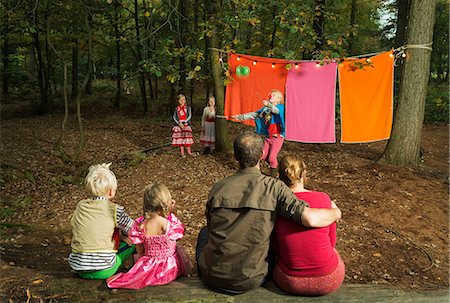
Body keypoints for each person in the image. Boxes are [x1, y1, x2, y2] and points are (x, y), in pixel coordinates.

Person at [196, 131, 341, 294]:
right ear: (263, 154)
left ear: (235, 156)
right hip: (252, 278)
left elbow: (212, 226)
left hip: (211, 276)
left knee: (204, 233)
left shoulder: (218, 188)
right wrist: (335, 213)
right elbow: (310, 218)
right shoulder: (274, 187)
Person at [272, 155, 345, 296]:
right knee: (334, 254)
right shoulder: (323, 198)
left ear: (280, 176)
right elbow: (332, 242)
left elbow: (276, 247)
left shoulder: (276, 203)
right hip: (328, 280)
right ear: (304, 174)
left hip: (290, 282)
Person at [107, 183, 191, 289]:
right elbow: (178, 235)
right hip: (169, 269)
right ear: (166, 204)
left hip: (149, 269)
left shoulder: (141, 225)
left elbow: (140, 251)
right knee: (177, 252)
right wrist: (170, 211)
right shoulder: (169, 223)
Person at [68, 163, 135, 280]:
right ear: (110, 191)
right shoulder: (114, 209)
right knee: (134, 241)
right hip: (105, 270)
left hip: (79, 268)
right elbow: (134, 230)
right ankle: (136, 270)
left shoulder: (80, 206)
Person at [232, 89, 286, 177]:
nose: (271, 96)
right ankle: (271, 168)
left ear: (279, 99)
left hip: (278, 137)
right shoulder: (265, 109)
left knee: (272, 158)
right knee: (262, 155)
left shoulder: (280, 107)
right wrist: (240, 116)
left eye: (274, 95)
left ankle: (273, 176)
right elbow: (254, 114)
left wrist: (268, 104)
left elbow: (276, 111)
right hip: (268, 137)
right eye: (270, 95)